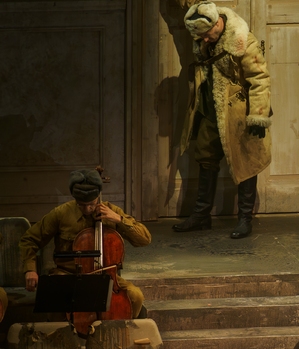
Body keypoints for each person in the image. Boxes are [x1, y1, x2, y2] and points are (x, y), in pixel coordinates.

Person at [174, 1, 272, 239]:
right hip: (209, 109)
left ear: (218, 22)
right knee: (205, 157)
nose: (205, 40)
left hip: (237, 113)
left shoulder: (243, 40)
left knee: (246, 161)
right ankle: (201, 215)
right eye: (201, 37)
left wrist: (258, 115)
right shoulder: (203, 38)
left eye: (207, 34)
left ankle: (245, 219)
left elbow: (259, 78)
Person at [19, 169, 151, 318]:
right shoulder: (61, 213)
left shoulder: (111, 210)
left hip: (105, 277)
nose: (87, 209)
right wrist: (30, 269)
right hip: (68, 274)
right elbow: (29, 239)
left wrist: (119, 219)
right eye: (81, 205)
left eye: (92, 204)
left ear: (98, 196)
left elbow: (144, 239)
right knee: (55, 300)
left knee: (135, 296)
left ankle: (118, 328)